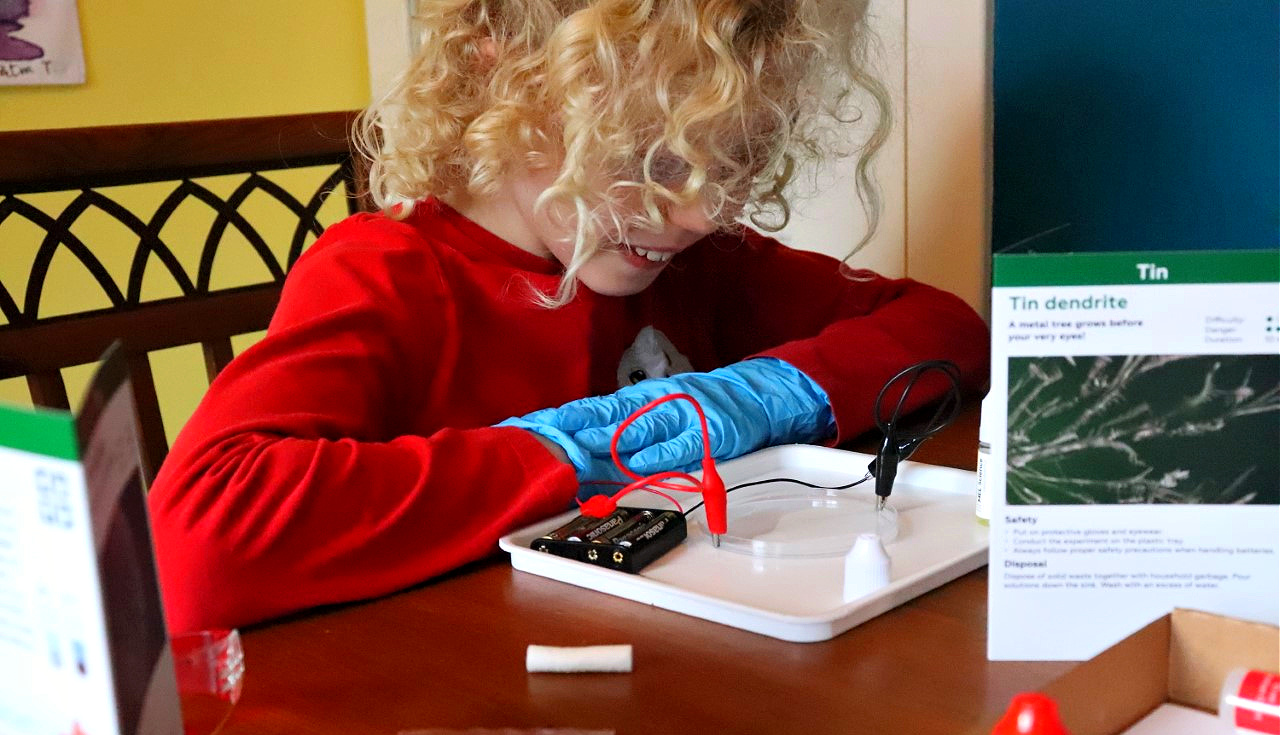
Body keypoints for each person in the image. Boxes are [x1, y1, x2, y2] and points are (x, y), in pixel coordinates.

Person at [148, 0, 990, 633]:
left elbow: (947, 330)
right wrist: (572, 449)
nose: (697, 213)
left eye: (725, 160)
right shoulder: (382, 274)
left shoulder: (691, 262)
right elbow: (195, 540)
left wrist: (764, 392)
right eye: (650, 157)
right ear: (502, 76)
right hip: (452, 713)